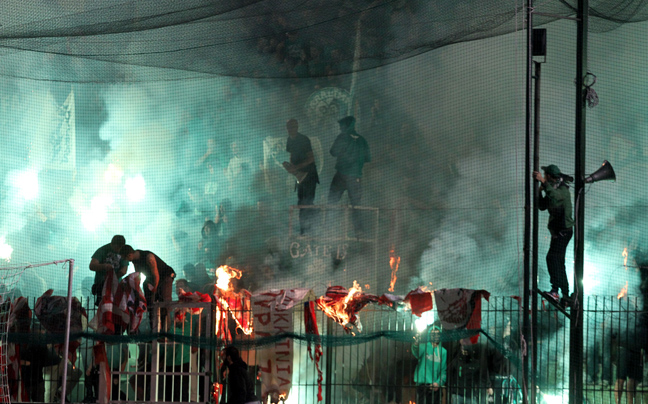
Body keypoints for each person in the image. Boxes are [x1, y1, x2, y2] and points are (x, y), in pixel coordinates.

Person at [533, 164, 574, 304]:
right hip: (558, 232)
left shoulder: (561, 189)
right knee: (558, 261)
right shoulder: (552, 189)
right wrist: (539, 191)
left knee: (552, 259)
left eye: (545, 175)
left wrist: (543, 183)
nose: (543, 177)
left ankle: (555, 291)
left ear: (549, 176)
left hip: (563, 232)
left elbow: (556, 197)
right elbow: (542, 206)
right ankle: (565, 294)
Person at [328, 116, 371, 238]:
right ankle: (359, 231)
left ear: (346, 126)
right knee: (356, 205)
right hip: (356, 177)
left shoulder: (342, 137)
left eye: (341, 125)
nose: (340, 128)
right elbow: (367, 159)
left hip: (341, 175)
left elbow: (332, 152)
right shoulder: (362, 140)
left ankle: (329, 228)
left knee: (332, 202)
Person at [120, 245, 176, 330]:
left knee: (164, 301)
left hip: (165, 276)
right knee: (150, 304)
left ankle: (165, 331)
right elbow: (137, 274)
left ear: (129, 255)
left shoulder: (149, 258)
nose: (126, 261)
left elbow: (156, 276)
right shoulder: (134, 260)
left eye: (125, 258)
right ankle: (154, 330)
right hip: (150, 278)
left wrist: (154, 290)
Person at [283, 118, 319, 235]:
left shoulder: (304, 140)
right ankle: (304, 230)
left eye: (292, 126)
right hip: (299, 177)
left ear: (297, 127)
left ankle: (309, 230)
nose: (290, 129)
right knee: (301, 203)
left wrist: (297, 167)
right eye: (288, 127)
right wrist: (290, 167)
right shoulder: (289, 140)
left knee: (307, 203)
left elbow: (311, 158)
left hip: (309, 175)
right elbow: (292, 155)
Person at [89, 235, 129, 306]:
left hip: (117, 285)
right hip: (102, 284)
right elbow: (92, 266)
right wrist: (104, 266)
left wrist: (113, 278)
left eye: (120, 248)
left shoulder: (123, 251)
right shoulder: (102, 250)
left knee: (117, 308)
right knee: (104, 307)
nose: (118, 250)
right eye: (117, 247)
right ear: (112, 244)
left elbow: (124, 270)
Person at [412, 325, 447, 404]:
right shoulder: (424, 346)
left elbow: (443, 370)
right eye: (433, 334)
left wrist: (438, 383)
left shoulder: (443, 352)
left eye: (437, 334)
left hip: (435, 387)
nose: (435, 336)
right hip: (422, 386)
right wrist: (416, 343)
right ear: (429, 335)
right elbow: (416, 352)